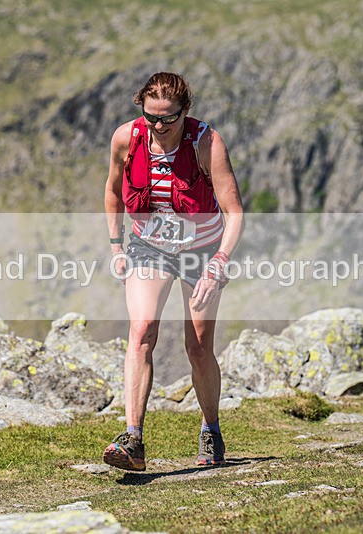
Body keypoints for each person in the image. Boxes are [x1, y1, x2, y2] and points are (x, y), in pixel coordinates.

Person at [103, 72, 245, 471]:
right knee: (141, 329)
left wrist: (219, 263)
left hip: (202, 249)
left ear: (186, 111)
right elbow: (113, 192)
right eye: (152, 117)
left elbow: (235, 213)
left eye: (169, 118)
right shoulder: (126, 139)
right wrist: (117, 247)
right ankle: (133, 439)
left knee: (198, 345)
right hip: (149, 245)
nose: (160, 126)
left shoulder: (207, 143)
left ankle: (211, 429)